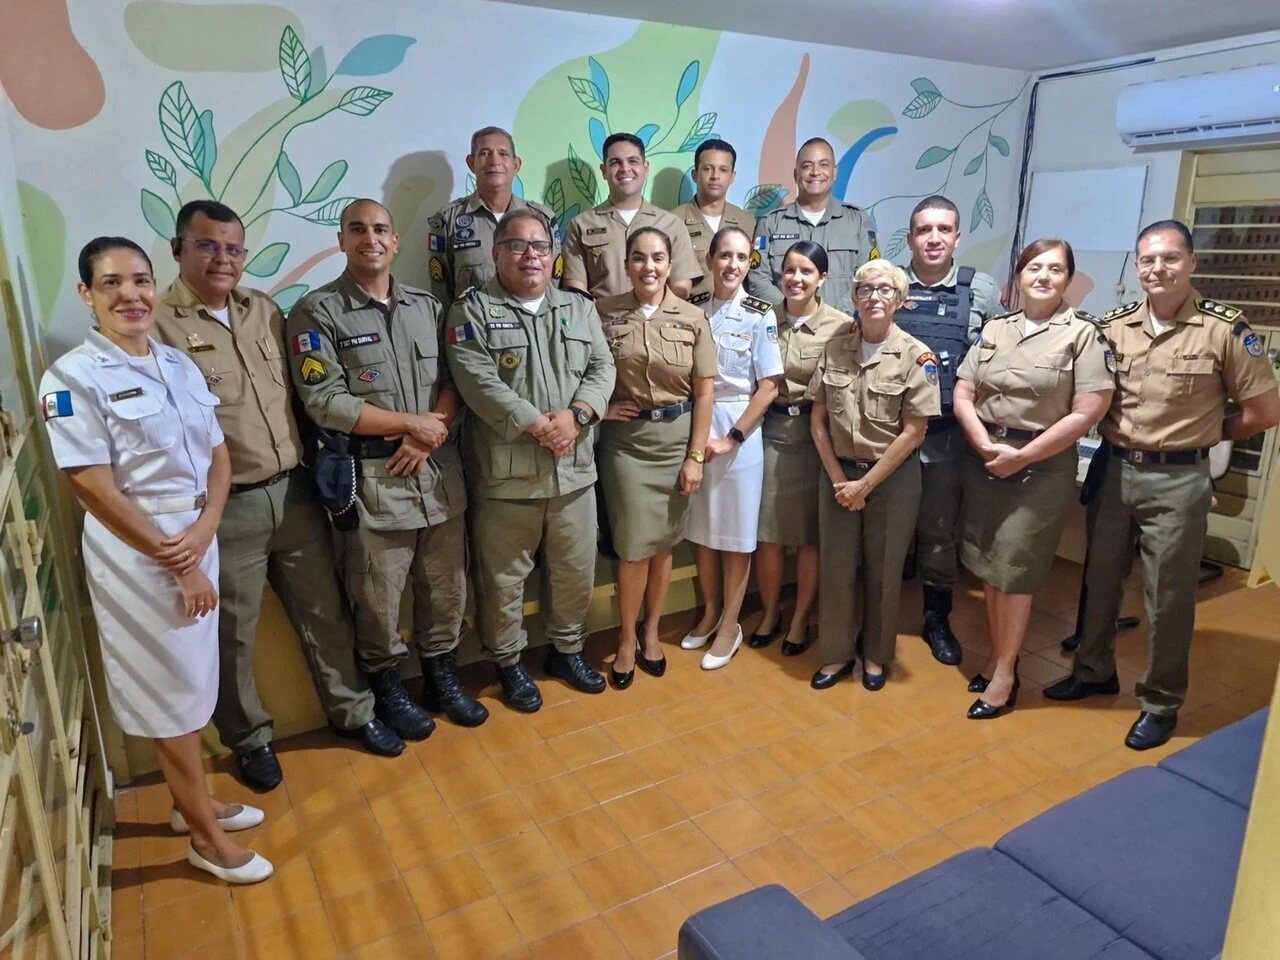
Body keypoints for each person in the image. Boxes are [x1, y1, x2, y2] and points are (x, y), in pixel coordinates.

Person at [40, 237, 271, 884]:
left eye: (140, 280)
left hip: (196, 534)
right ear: (86, 294)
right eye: (111, 283)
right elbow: (92, 485)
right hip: (142, 559)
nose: (131, 295)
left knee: (194, 681)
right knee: (171, 691)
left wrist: (206, 528)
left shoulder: (176, 362)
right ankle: (204, 838)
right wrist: (180, 561)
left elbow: (218, 455)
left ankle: (189, 802)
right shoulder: (72, 379)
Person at [154, 200, 401, 793]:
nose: (223, 258)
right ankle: (251, 740)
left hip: (293, 493)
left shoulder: (264, 310)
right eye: (208, 245)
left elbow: (305, 395)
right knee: (234, 634)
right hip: (225, 508)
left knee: (326, 612)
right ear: (178, 249)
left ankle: (354, 712)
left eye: (233, 248)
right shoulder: (159, 329)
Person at [1045, 220, 1280, 750]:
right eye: (1148, 259)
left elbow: (1265, 411)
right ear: (1136, 266)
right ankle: (1093, 671)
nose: (1158, 269)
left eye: (1170, 258)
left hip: (1178, 481)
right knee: (1099, 579)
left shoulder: (1224, 329)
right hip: (1114, 468)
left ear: (1191, 263)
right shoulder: (1113, 325)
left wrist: (1206, 434)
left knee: (1167, 597)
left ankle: (1160, 702)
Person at [286, 199, 484, 735]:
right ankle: (388, 690)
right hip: (375, 485)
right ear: (342, 241)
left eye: (380, 230)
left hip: (437, 475)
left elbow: (456, 379)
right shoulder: (317, 312)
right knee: (377, 600)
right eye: (357, 230)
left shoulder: (427, 305)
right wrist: (409, 425)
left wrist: (428, 433)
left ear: (395, 242)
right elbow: (325, 401)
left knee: (446, 590)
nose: (369, 238)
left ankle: (442, 677)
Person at [446, 209, 616, 704]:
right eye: (517, 246)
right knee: (503, 579)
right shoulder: (472, 310)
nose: (530, 255)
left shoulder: (578, 308)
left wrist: (578, 415)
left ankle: (567, 648)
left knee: (575, 570)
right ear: (497, 253)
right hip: (507, 476)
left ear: (553, 254)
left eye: (540, 246)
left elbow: (603, 368)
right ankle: (509, 662)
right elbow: (475, 378)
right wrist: (536, 422)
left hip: (574, 471)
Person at [952, 238, 1114, 719]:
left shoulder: (1083, 334)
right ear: (1018, 277)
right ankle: (999, 655)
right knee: (990, 569)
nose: (1043, 277)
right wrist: (983, 443)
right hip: (987, 458)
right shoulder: (997, 329)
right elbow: (964, 391)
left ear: (1068, 279)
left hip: (1040, 467)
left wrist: (1021, 458)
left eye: (1056, 269)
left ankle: (1004, 676)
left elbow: (1089, 411)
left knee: (1015, 571)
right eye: (1034, 268)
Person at [808, 260, 940, 690]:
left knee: (884, 572)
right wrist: (838, 481)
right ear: (854, 298)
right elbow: (818, 421)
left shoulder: (917, 355)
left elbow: (915, 431)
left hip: (892, 480)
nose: (875, 298)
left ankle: (877, 657)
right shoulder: (834, 348)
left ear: (900, 301)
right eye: (866, 289)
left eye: (885, 291)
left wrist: (865, 485)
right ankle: (836, 654)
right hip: (838, 475)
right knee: (837, 568)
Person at [596, 227, 716, 686]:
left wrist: (696, 457)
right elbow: (583, 372)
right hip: (625, 446)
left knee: (663, 543)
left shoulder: (692, 317)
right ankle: (625, 638)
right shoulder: (603, 313)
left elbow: (704, 392)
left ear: (671, 264)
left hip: (676, 441)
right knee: (632, 548)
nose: (649, 267)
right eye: (640, 258)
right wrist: (601, 410)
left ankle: (651, 632)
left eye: (658, 258)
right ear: (626, 265)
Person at [898, 195, 1003, 667]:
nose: (934, 238)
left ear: (958, 237)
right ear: (910, 238)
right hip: (891, 433)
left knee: (938, 532)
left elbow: (996, 359)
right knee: (884, 529)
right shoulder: (889, 284)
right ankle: (874, 616)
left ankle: (936, 617)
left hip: (946, 435)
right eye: (924, 230)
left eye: (944, 229)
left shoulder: (978, 289)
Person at [681, 227, 784, 669]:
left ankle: (731, 623)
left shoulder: (761, 314)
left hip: (741, 431)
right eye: (724, 256)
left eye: (741, 257)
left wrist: (734, 436)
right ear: (709, 260)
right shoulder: (693, 311)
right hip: (698, 424)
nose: (732, 265)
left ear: (749, 264)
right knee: (702, 529)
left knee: (737, 535)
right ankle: (708, 612)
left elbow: (769, 387)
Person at [752, 242, 851, 655]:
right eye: (790, 270)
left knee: (811, 536)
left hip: (817, 438)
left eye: (806, 271)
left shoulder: (842, 327)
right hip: (771, 432)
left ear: (822, 278)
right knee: (768, 534)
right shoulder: (763, 319)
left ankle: (800, 618)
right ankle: (771, 611)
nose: (796, 279)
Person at [427, 126, 563, 304]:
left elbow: (554, 284)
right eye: (484, 153)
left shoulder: (541, 218)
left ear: (516, 165)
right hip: (476, 327)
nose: (494, 161)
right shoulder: (448, 220)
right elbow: (441, 294)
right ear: (471, 163)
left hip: (533, 327)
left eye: (503, 154)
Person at [746, 138, 877, 316]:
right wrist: (791, 314)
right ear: (795, 174)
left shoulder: (858, 220)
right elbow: (758, 280)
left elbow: (868, 276)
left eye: (823, 164)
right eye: (807, 166)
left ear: (835, 172)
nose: (815, 172)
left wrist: (833, 321)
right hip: (785, 332)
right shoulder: (770, 223)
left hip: (843, 333)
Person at [561, 133, 701, 300]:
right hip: (601, 323)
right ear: (604, 171)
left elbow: (681, 287)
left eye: (633, 161)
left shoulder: (671, 224)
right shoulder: (581, 225)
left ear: (645, 168)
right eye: (615, 162)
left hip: (656, 324)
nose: (625, 169)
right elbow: (576, 291)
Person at [669, 139, 757, 307]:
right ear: (695, 175)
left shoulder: (747, 222)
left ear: (732, 177)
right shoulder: (672, 222)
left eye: (723, 170)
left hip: (737, 320)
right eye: (707, 168)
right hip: (689, 316)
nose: (715, 176)